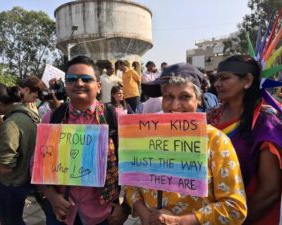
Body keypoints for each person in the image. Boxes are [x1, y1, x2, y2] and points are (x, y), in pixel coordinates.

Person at [126, 63, 247, 225]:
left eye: (185, 96)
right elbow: (130, 183)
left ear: (198, 100)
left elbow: (235, 208)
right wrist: (143, 212)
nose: (175, 105)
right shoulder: (144, 135)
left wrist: (181, 221)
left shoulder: (215, 141)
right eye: (168, 96)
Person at [37, 55, 128, 225]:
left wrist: (126, 207)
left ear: (98, 86)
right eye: (72, 79)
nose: (79, 83)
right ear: (66, 85)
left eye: (86, 79)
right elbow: (37, 164)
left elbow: (133, 166)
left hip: (103, 214)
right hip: (62, 213)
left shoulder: (115, 118)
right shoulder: (52, 118)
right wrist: (52, 197)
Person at [207, 55, 282, 225]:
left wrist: (234, 220)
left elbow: (269, 191)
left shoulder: (265, 125)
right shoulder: (211, 117)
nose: (217, 84)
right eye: (216, 78)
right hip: (209, 214)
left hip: (251, 216)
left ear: (247, 80)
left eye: (224, 78)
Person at [0, 82, 40, 225]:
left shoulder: (11, 124)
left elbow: (5, 167)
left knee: (10, 221)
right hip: (24, 179)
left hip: (11, 184)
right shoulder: (27, 113)